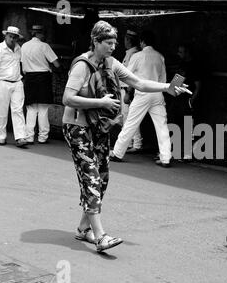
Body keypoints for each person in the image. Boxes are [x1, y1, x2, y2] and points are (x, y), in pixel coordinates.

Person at [62, 21, 189, 253]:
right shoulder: (82, 65)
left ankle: (83, 229)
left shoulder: (111, 63)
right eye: (108, 43)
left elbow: (138, 82)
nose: (113, 47)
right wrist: (100, 102)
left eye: (114, 43)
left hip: (99, 127)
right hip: (78, 128)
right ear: (96, 42)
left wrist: (169, 87)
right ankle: (100, 237)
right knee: (91, 179)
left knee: (102, 177)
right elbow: (67, 99)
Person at [110, 30, 173, 168]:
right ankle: (166, 157)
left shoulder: (137, 56)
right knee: (162, 126)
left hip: (142, 94)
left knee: (130, 123)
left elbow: (128, 76)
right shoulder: (160, 57)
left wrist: (128, 92)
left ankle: (117, 152)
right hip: (157, 93)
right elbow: (163, 80)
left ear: (142, 42)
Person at [21, 25, 61, 144]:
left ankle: (29, 137)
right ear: (38, 34)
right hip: (43, 78)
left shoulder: (24, 46)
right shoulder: (44, 46)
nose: (44, 36)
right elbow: (56, 64)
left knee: (31, 109)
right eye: (43, 33)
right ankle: (43, 137)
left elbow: (22, 65)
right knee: (43, 109)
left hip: (29, 78)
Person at [0, 26, 28, 148]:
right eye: (10, 36)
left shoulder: (19, 48)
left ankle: (20, 137)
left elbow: (21, 63)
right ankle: (1, 136)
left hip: (17, 82)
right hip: (2, 82)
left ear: (17, 38)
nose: (12, 39)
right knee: (2, 111)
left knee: (18, 109)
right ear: (5, 36)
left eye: (14, 37)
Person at [170, 43, 202, 161]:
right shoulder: (182, 64)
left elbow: (198, 86)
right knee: (177, 125)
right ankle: (177, 151)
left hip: (186, 100)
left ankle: (187, 154)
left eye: (181, 52)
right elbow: (176, 82)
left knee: (188, 126)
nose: (179, 54)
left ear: (187, 52)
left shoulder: (194, 66)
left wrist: (191, 102)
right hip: (178, 99)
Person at [120, 29, 142, 154]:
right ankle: (131, 142)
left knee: (129, 117)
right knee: (128, 116)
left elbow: (130, 75)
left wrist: (128, 92)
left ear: (128, 41)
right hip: (127, 89)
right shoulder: (131, 53)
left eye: (126, 39)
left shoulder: (133, 54)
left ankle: (135, 143)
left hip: (129, 89)